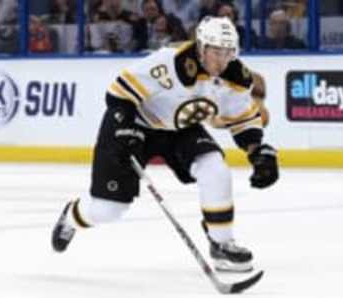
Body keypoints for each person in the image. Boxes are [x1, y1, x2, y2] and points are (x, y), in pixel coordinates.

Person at [51, 16, 279, 272]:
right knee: (108, 209)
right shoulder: (170, 62)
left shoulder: (236, 78)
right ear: (202, 47)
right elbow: (118, 92)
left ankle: (221, 245)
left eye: (229, 52)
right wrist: (123, 129)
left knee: (214, 167)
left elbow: (242, 120)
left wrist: (257, 151)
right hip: (133, 123)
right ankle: (71, 217)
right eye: (216, 52)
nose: (222, 60)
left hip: (179, 129)